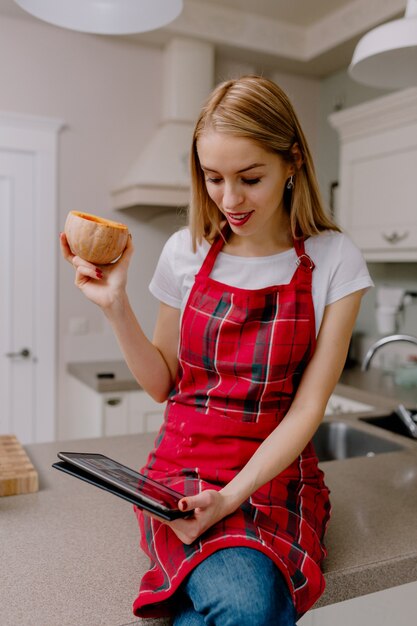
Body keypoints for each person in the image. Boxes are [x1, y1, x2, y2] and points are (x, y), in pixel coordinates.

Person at [61, 75, 374, 625]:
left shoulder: (335, 260)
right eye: (213, 178)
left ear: (292, 160)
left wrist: (231, 499)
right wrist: (115, 305)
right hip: (182, 472)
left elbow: (307, 409)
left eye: (250, 178)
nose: (229, 199)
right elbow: (163, 383)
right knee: (249, 605)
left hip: (276, 477)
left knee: (241, 608)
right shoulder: (186, 250)